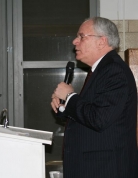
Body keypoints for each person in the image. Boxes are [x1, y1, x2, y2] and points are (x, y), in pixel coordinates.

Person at [51, 17, 138, 178]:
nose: (75, 41)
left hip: (106, 169)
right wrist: (64, 106)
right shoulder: (101, 70)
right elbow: (91, 113)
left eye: (82, 36)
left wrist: (70, 96)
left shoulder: (114, 71)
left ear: (101, 41)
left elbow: (99, 118)